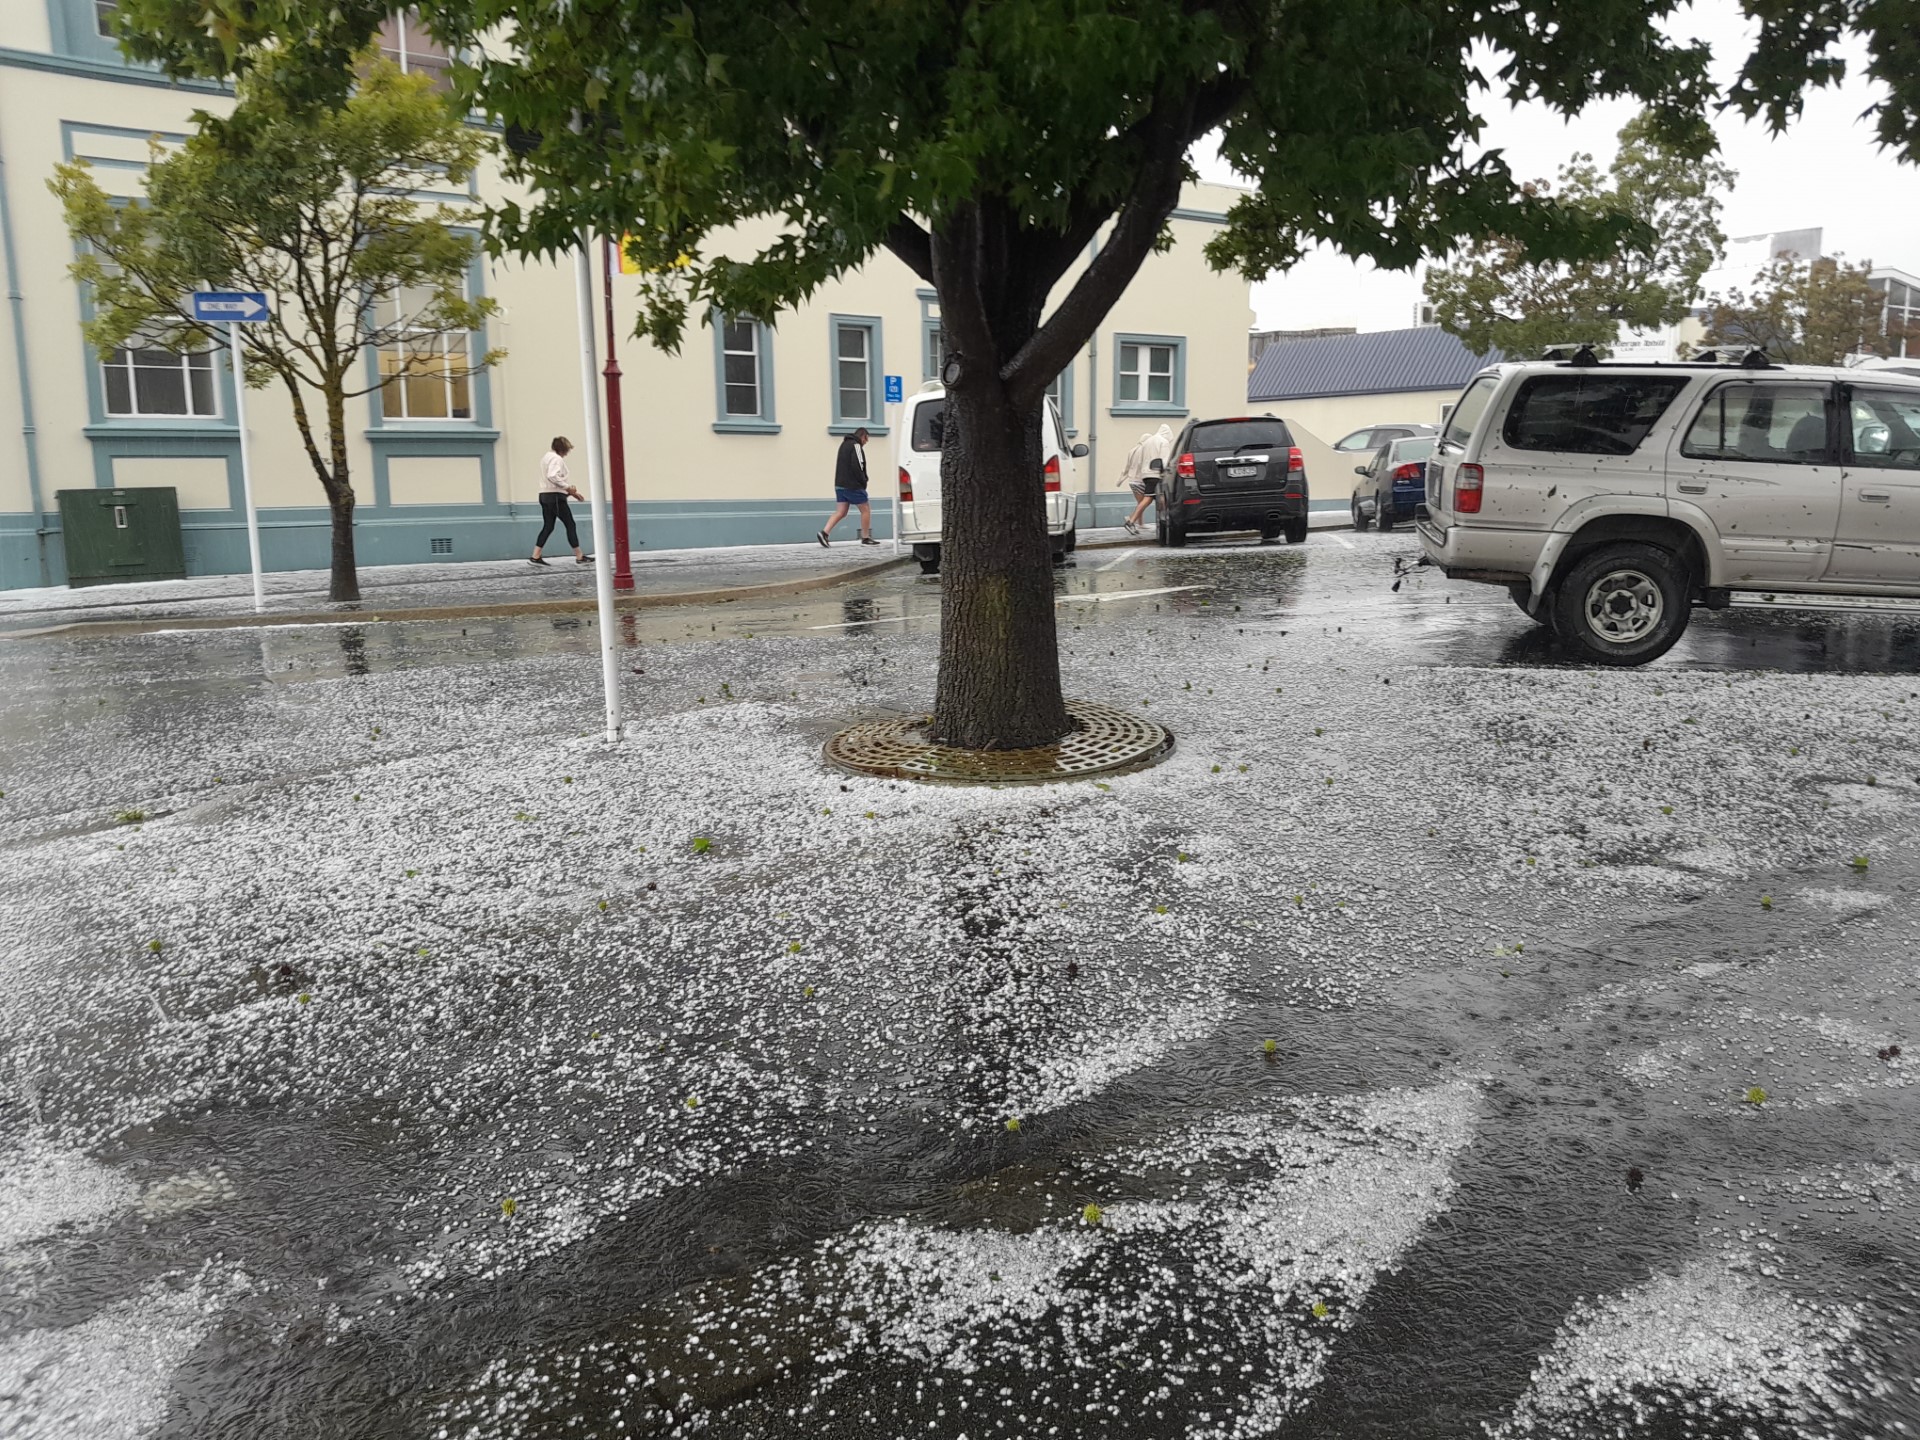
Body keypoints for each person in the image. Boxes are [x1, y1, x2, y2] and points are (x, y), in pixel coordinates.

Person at [529, 436, 591, 566]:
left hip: (544, 496)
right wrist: (567, 488)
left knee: (548, 526)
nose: (567, 453)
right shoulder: (556, 459)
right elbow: (553, 476)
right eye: (567, 450)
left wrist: (572, 493)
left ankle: (535, 556)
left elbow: (550, 479)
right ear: (562, 449)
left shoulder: (546, 457)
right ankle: (579, 556)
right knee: (570, 524)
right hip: (555, 497)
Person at [817, 427, 878, 546]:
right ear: (863, 436)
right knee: (865, 509)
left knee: (841, 511)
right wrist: (863, 481)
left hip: (840, 485)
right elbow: (859, 465)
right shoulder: (856, 446)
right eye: (866, 440)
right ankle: (865, 537)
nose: (866, 443)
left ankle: (824, 532)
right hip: (853, 485)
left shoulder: (844, 445)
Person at [1119, 423, 1175, 535]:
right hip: (1155, 474)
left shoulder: (1148, 441)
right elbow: (1164, 461)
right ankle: (1131, 521)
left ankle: (1166, 522)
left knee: (1161, 499)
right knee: (1149, 498)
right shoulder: (1163, 442)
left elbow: (1141, 461)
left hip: (1145, 474)